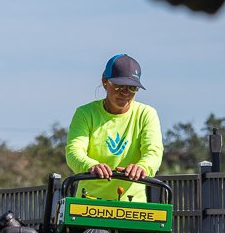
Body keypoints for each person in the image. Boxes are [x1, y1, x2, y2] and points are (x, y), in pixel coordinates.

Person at [66, 54, 164, 202]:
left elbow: (154, 152)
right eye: (119, 86)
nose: (125, 93)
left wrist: (142, 167)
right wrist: (91, 166)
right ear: (105, 82)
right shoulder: (85, 113)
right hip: (89, 204)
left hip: (134, 207)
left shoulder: (147, 114)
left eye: (132, 88)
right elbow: (74, 151)